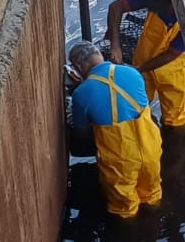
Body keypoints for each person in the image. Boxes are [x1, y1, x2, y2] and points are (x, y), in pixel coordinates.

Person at [69, 40, 163, 218]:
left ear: (78, 66)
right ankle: (154, 223)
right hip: (150, 147)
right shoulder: (133, 73)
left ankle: (130, 238)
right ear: (100, 56)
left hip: (120, 159)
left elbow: (81, 133)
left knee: (124, 209)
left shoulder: (81, 94)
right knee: (152, 194)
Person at [106, 0, 185, 129]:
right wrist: (115, 45)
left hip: (174, 70)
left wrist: (139, 69)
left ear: (175, 5)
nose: (158, 9)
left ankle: (174, 146)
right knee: (134, 102)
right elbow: (115, 7)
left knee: (174, 118)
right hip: (144, 57)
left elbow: (171, 54)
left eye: (163, 7)